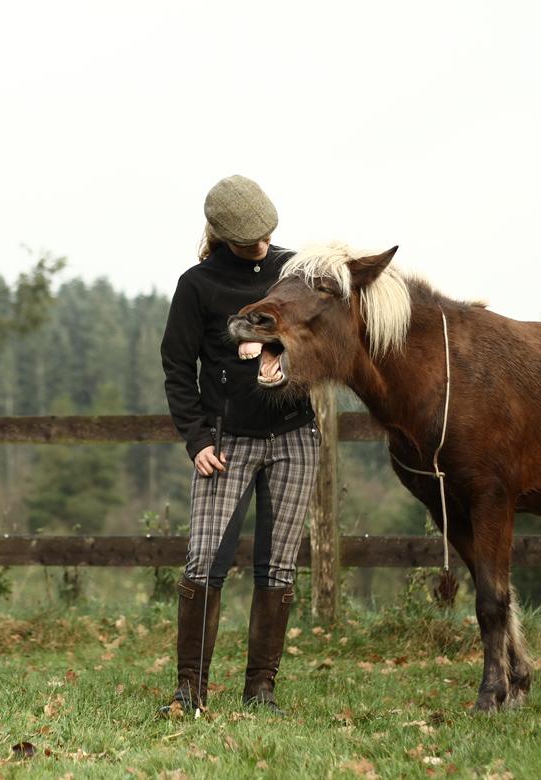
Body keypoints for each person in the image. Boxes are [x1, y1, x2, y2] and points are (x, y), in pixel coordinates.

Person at [158, 174, 319, 715]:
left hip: (295, 436)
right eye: (248, 238)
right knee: (204, 562)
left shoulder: (296, 272)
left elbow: (321, 336)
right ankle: (189, 691)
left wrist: (272, 347)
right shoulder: (197, 284)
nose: (260, 246)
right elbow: (178, 367)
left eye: (264, 234)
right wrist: (195, 438)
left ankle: (261, 691)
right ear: (224, 236)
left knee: (278, 568)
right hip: (226, 442)